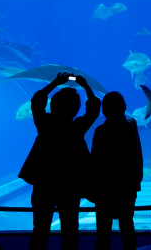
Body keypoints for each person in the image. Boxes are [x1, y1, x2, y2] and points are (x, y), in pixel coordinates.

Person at [19, 71, 101, 250]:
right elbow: (94, 108)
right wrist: (86, 86)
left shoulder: (45, 125)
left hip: (43, 183)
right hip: (70, 185)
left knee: (40, 229)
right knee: (70, 229)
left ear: (52, 106)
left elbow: (37, 100)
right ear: (76, 109)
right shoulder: (77, 128)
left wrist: (55, 82)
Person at [91, 91, 143, 250]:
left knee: (103, 231)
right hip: (127, 186)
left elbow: (95, 162)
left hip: (104, 189)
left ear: (103, 111)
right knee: (127, 226)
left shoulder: (100, 131)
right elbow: (137, 155)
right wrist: (136, 181)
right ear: (124, 108)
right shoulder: (131, 126)